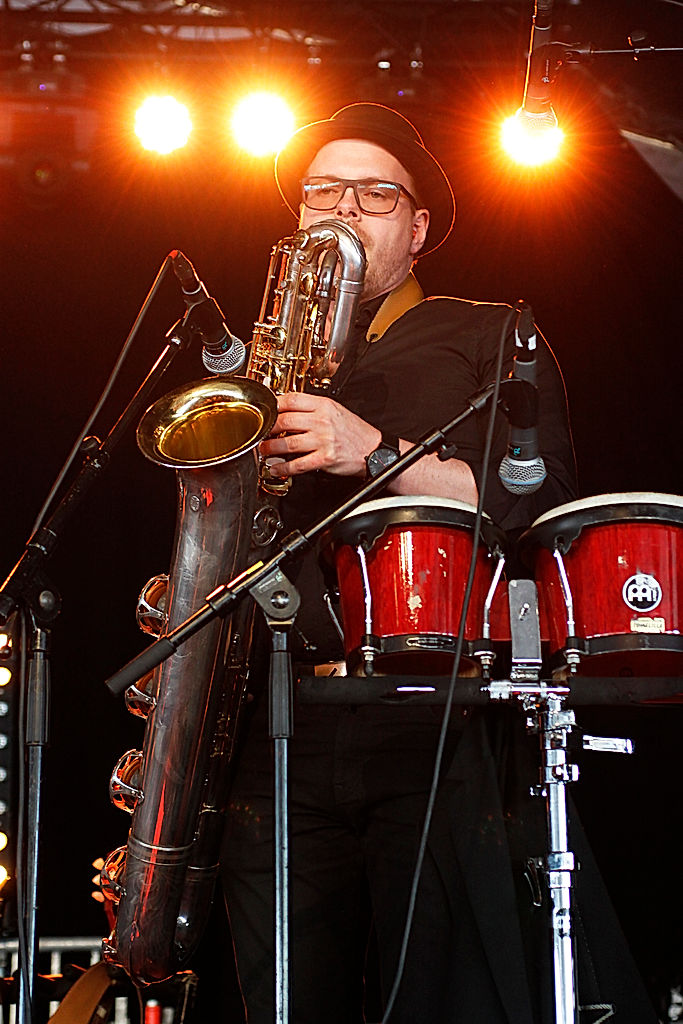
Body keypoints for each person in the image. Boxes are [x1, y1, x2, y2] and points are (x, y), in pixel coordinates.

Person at [220, 103, 655, 1023]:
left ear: (416, 229)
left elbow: (531, 500)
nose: (344, 206)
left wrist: (372, 451)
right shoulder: (262, 362)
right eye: (322, 191)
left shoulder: (489, 330)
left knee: (441, 994)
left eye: (374, 194)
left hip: (431, 713)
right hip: (276, 718)